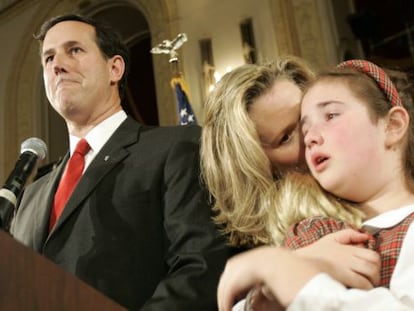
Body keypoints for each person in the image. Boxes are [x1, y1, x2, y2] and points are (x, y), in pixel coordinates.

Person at [9, 14, 231, 310]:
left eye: (74, 50)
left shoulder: (177, 148)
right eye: (48, 58)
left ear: (114, 68)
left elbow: (201, 267)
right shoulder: (29, 197)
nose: (57, 65)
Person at [217, 59, 414, 310]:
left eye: (330, 115)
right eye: (292, 134)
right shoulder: (308, 231)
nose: (309, 137)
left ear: (393, 125)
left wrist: (283, 270)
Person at [201, 57, 363, 249]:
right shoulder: (310, 237)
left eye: (304, 117)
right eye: (286, 137)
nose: (311, 135)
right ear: (259, 170)